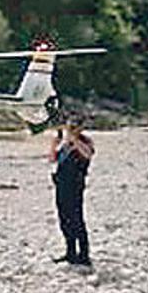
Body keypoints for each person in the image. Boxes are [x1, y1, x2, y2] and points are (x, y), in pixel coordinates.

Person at [50, 113, 95, 266]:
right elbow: (53, 158)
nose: (72, 129)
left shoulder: (84, 141)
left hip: (75, 185)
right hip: (61, 183)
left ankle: (83, 255)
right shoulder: (65, 144)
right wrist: (55, 143)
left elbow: (87, 154)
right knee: (64, 219)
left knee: (77, 219)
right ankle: (70, 252)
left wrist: (74, 139)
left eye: (75, 127)